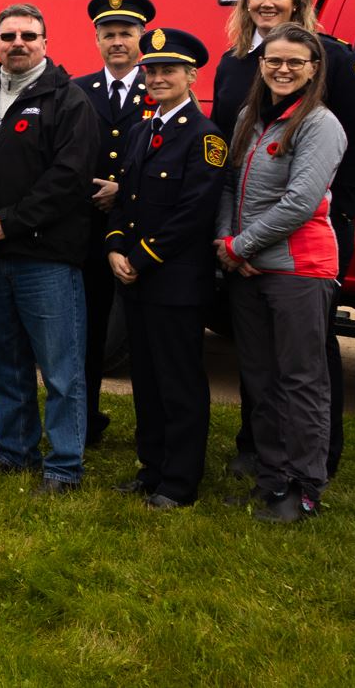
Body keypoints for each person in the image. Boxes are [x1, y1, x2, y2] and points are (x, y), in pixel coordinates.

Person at [211, 0, 355, 481]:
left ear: (296, 0)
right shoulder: (234, 63)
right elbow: (224, 151)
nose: (266, 3)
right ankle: (256, 449)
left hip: (307, 235)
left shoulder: (334, 58)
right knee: (254, 352)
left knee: (310, 349)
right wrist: (229, 238)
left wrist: (340, 211)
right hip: (242, 233)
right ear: (245, 2)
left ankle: (319, 455)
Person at [0, 4, 99, 494]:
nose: (18, 43)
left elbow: (68, 180)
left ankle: (64, 466)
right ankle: (13, 452)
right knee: (4, 363)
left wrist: (6, 224)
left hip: (46, 259)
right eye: (8, 35)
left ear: (45, 42)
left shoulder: (69, 101)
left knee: (60, 369)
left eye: (28, 35)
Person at [216, 23, 347, 523]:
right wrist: (228, 242)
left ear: (313, 68)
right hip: (246, 267)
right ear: (262, 65)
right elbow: (229, 182)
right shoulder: (250, 116)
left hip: (298, 269)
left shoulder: (320, 124)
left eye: (296, 61)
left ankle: (303, 487)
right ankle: (271, 480)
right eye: (274, 60)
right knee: (260, 378)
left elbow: (300, 202)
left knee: (301, 380)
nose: (284, 69)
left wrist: (240, 245)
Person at [105, 27, 225, 508]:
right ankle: (151, 467)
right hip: (135, 279)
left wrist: (139, 257)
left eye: (168, 70)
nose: (157, 78)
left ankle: (179, 481)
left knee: (178, 383)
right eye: (151, 70)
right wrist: (114, 246)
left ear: (191, 75)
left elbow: (194, 213)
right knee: (147, 382)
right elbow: (123, 198)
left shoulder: (205, 137)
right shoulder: (141, 130)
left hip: (174, 282)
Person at [73, 0, 157, 448]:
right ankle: (84, 422)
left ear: (141, 36)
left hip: (140, 229)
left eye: (126, 32)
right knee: (86, 332)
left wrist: (122, 191)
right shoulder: (77, 89)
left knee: (144, 335)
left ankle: (152, 432)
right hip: (87, 231)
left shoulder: (160, 85)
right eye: (109, 34)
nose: (117, 41)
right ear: (98, 40)